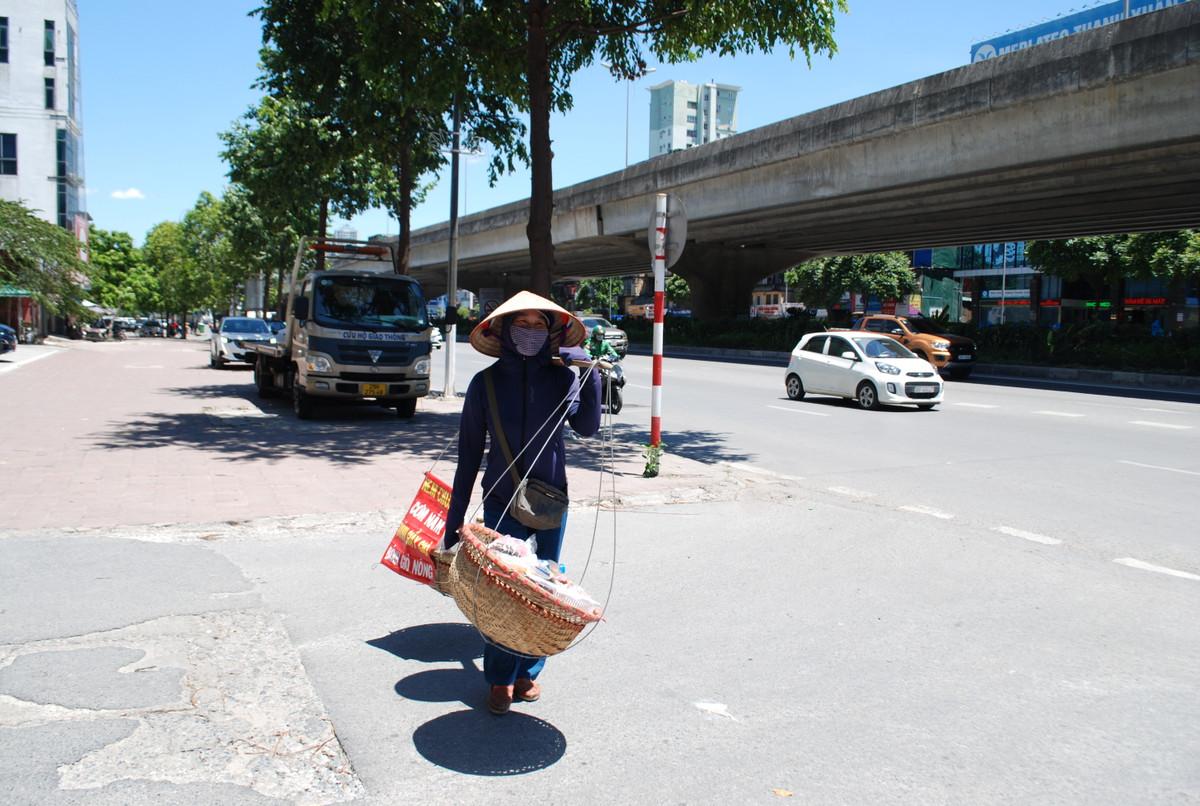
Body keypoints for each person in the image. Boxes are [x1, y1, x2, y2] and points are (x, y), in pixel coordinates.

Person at [442, 290, 601, 716]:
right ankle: (498, 678)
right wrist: (452, 526)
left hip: (550, 505)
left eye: (539, 324)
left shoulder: (562, 378)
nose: (530, 331)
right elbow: (468, 457)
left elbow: (588, 427)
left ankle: (529, 669)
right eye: (522, 323)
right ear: (504, 331)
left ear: (551, 333)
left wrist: (589, 371)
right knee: (502, 593)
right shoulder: (485, 384)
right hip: (499, 504)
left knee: (543, 592)